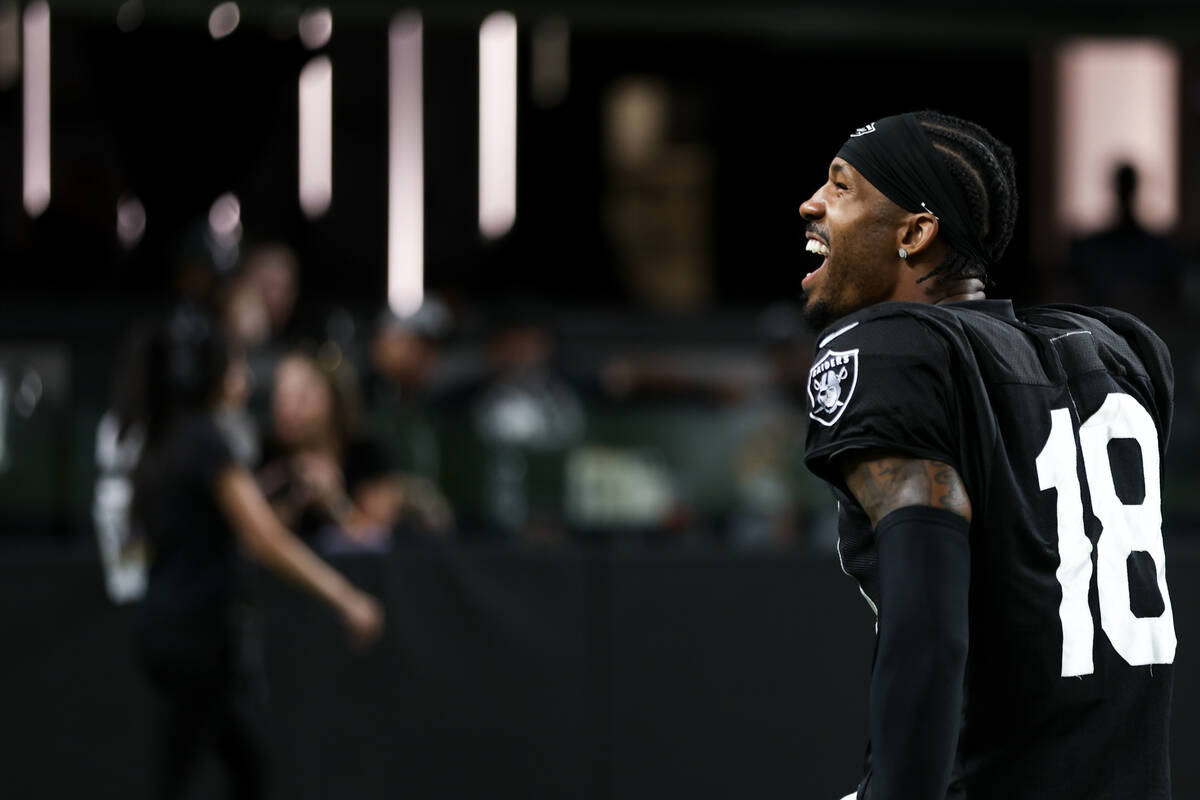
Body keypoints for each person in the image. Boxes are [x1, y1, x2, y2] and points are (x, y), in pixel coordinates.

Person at [796, 112, 1174, 799]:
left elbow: (930, 630)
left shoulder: (896, 346)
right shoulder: (1115, 349)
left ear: (914, 233)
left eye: (842, 187)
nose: (811, 203)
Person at [127, 306, 384, 800]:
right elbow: (262, 536)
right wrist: (345, 596)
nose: (246, 377)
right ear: (216, 376)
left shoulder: (169, 437)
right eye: (238, 365)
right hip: (193, 635)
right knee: (183, 770)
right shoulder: (205, 441)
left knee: (245, 765)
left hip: (176, 629)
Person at [258, 347, 452, 551]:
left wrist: (333, 500)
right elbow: (257, 538)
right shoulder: (267, 454)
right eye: (281, 396)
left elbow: (376, 540)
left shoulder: (367, 454)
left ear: (333, 399)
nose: (287, 408)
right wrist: (295, 502)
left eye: (302, 396)